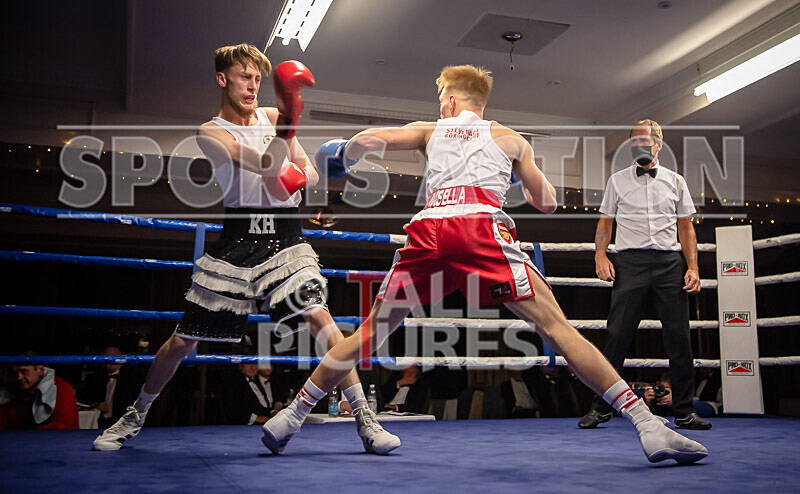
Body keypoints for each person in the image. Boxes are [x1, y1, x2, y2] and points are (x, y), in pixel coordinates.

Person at [263, 65, 708, 464]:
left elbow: (360, 143)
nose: (440, 107)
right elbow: (548, 204)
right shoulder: (510, 138)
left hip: (431, 230)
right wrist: (515, 171)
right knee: (558, 329)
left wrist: (338, 159)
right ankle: (648, 425)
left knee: (369, 332)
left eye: (441, 100)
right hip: (481, 230)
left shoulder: (429, 129)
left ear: (452, 100)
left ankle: (290, 417)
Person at [92, 43, 398, 453]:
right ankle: (134, 416)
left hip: (286, 236)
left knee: (320, 318)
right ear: (222, 78)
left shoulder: (271, 116)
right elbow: (264, 166)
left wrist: (291, 144)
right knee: (184, 339)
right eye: (243, 76)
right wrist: (289, 126)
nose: (253, 85)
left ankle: (365, 419)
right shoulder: (212, 132)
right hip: (238, 239)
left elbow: (306, 170)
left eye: (258, 78)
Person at [578, 119, 711, 431]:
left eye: (642, 141)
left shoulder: (676, 181)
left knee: (679, 338)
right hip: (630, 263)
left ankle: (684, 410)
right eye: (633, 142)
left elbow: (686, 227)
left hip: (669, 263)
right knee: (617, 337)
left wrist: (692, 266)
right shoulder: (617, 181)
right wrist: (600, 253)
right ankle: (601, 407)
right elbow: (605, 223)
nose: (637, 146)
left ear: (658, 143)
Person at [0, 353, 79, 430]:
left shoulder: (61, 388)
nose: (19, 377)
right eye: (15, 373)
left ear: (40, 370)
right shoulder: (14, 389)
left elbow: (62, 425)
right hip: (19, 440)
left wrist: (26, 436)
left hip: (57, 441)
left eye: (24, 372)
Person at [79, 346, 142, 428]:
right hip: (101, 421)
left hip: (124, 422)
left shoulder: (132, 376)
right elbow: (84, 396)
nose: (110, 360)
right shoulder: (98, 376)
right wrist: (96, 404)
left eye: (113, 356)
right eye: (107, 357)